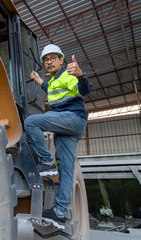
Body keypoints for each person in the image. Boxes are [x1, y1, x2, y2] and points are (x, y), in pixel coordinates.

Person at [24, 44, 92, 229]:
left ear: (61, 60)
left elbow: (85, 89)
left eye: (53, 58)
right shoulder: (53, 81)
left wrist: (80, 74)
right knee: (66, 168)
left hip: (73, 118)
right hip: (69, 127)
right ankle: (60, 212)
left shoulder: (69, 74)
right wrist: (38, 80)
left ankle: (46, 162)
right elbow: (48, 87)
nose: (48, 62)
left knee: (31, 122)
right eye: (46, 60)